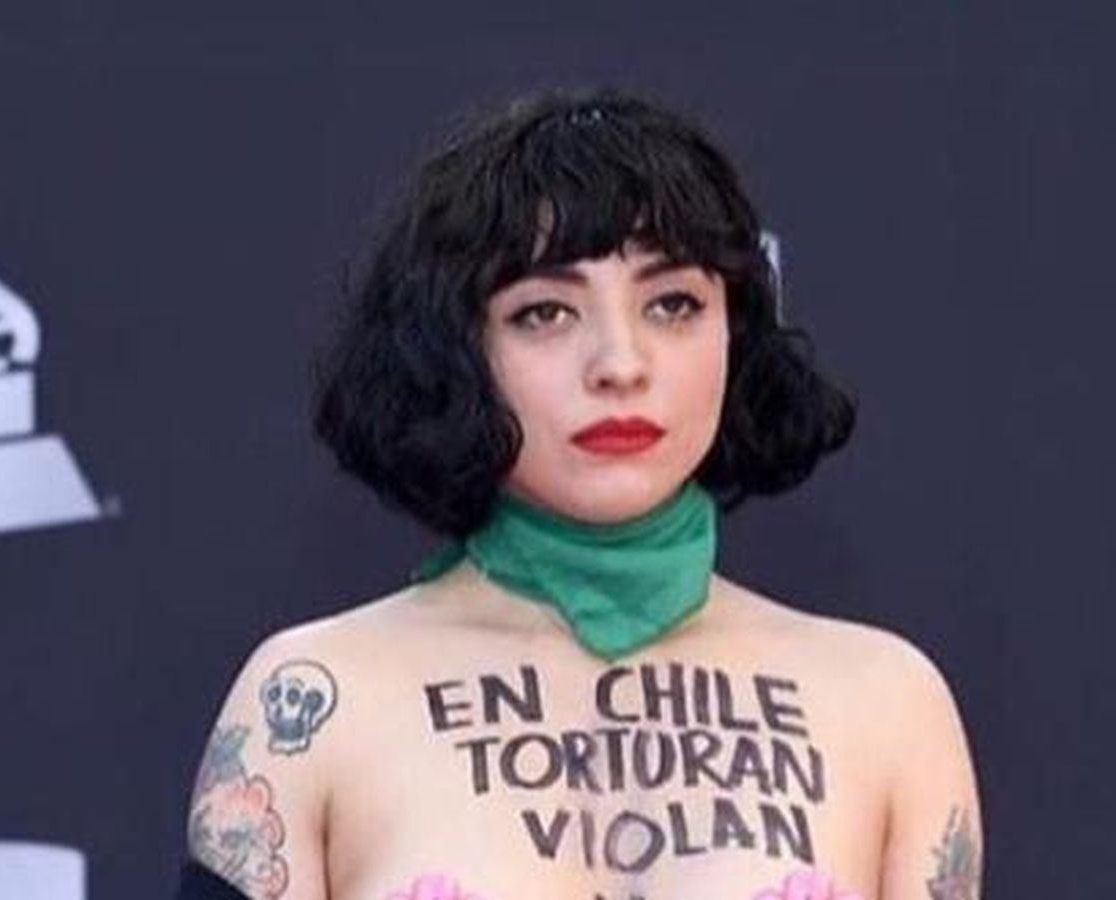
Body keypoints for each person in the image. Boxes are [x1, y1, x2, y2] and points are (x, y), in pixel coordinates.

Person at [177, 89, 982, 900]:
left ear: (735, 333)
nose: (620, 365)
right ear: (455, 352)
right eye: (545, 313)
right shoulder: (312, 701)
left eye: (673, 304)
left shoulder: (885, 702)